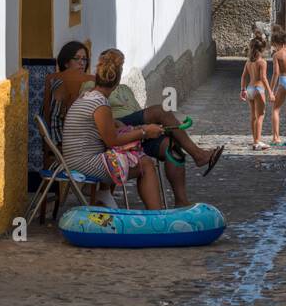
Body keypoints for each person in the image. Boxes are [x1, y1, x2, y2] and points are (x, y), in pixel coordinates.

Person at [61, 49, 164, 209]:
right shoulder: (100, 104)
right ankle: (157, 215)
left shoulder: (89, 95)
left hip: (73, 159)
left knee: (126, 156)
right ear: (117, 82)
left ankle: (103, 193)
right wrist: (144, 131)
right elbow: (112, 141)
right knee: (145, 164)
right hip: (83, 163)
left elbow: (100, 127)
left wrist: (116, 123)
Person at [107, 69, 223, 204]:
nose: (117, 69)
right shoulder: (93, 87)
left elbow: (139, 111)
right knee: (161, 111)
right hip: (119, 127)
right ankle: (198, 155)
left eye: (119, 66)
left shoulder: (125, 88)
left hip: (136, 132)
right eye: (113, 64)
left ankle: (181, 201)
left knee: (171, 146)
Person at [240, 35, 273, 150]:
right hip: (258, 89)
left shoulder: (248, 62)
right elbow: (264, 78)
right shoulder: (262, 62)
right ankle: (258, 142)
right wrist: (270, 92)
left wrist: (242, 90)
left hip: (249, 89)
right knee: (260, 116)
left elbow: (243, 76)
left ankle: (255, 140)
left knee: (253, 116)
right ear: (262, 49)